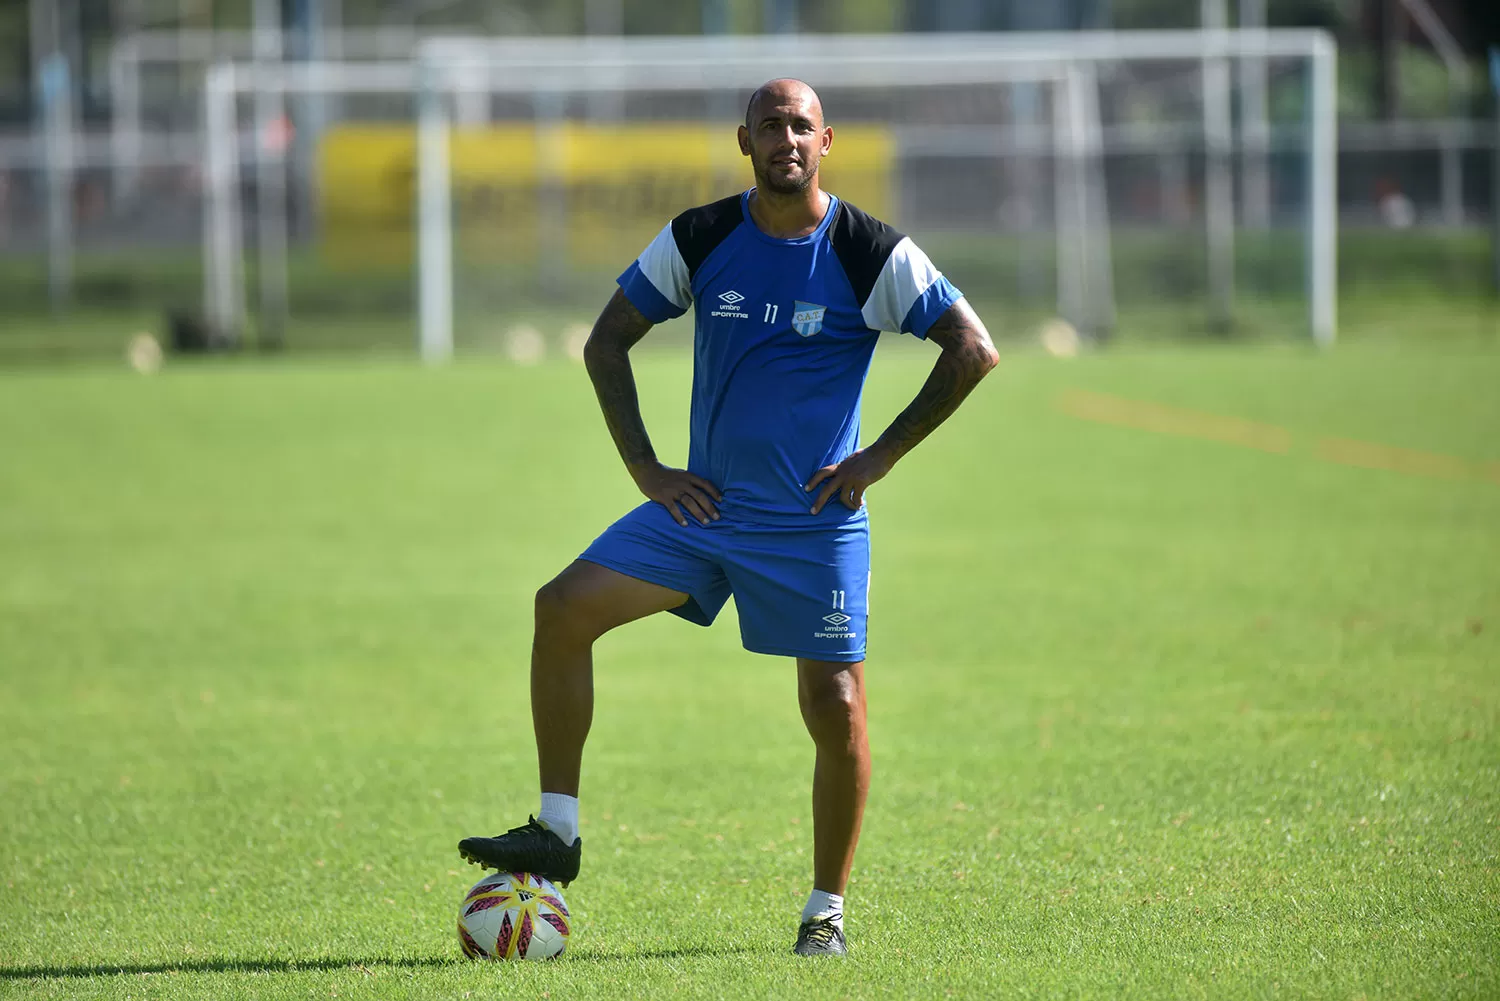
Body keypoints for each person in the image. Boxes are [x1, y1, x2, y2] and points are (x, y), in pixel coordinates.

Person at [458, 79, 998, 957]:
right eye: (770, 126)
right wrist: (646, 470)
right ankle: (558, 831)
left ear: (828, 141)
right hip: (702, 512)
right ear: (743, 141)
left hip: (813, 525)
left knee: (837, 705)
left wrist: (879, 457)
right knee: (561, 608)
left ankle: (825, 909)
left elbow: (974, 350)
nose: (787, 138)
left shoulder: (869, 250)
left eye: (801, 126)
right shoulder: (700, 237)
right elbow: (605, 342)